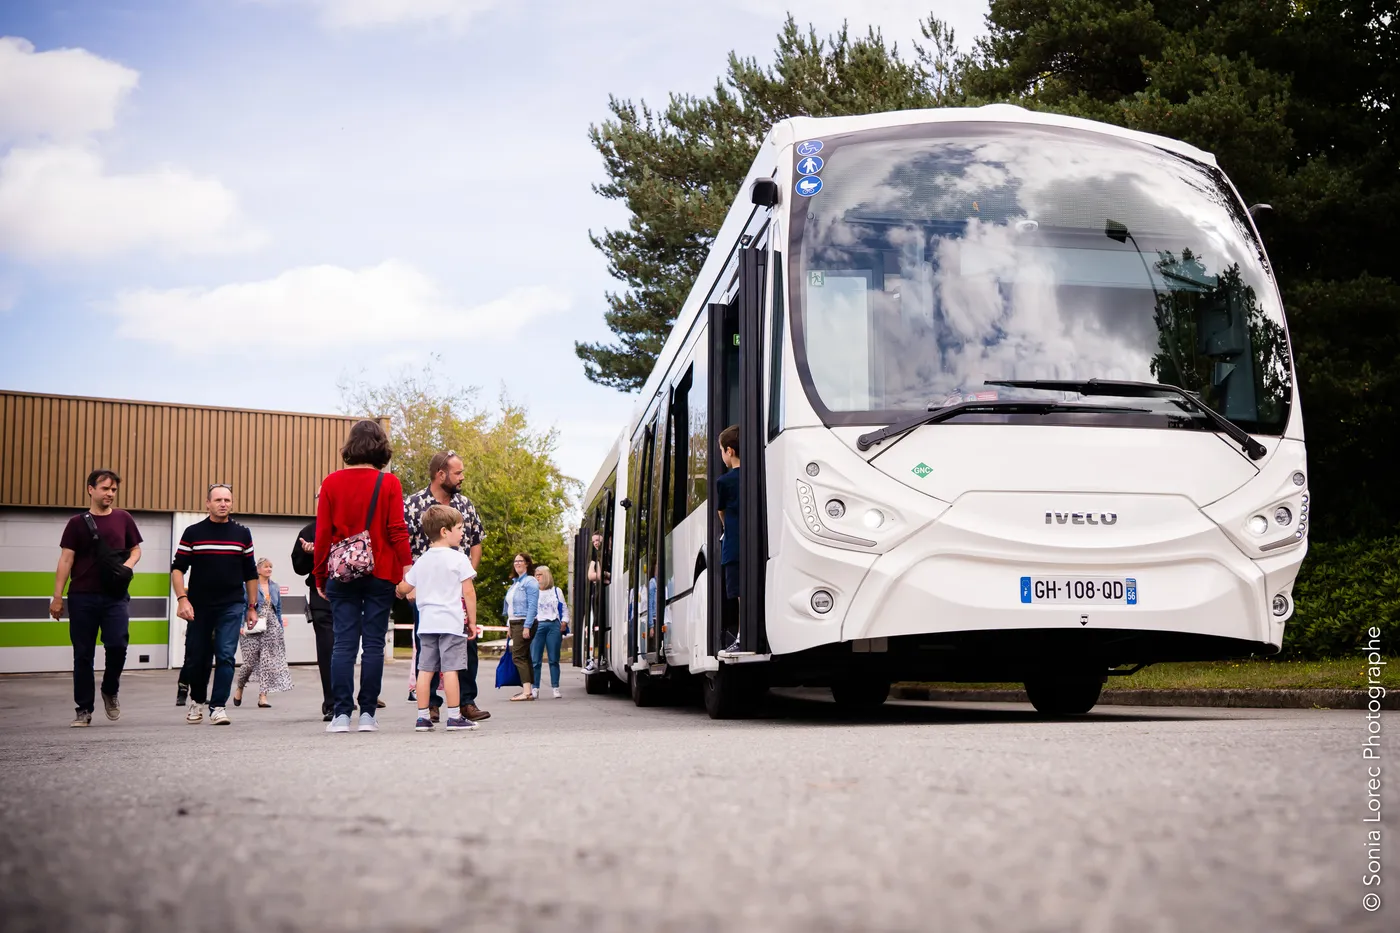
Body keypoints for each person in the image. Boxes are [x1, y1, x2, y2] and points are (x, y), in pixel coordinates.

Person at [314, 419, 411, 734]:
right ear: (381, 447)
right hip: (381, 572)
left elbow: (323, 534)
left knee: (343, 644)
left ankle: (341, 715)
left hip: (341, 573)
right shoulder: (389, 483)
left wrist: (319, 576)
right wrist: (407, 568)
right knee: (372, 644)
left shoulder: (331, 483)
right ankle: (368, 713)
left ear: (350, 446)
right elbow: (397, 529)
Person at [50, 469, 143, 728]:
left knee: (117, 645)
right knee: (83, 654)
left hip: (115, 597)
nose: (110, 494)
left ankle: (110, 689)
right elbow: (66, 559)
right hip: (82, 597)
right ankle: (83, 709)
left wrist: (129, 566)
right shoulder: (76, 524)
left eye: (113, 490)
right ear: (91, 489)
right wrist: (57, 596)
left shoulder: (124, 519)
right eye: (105, 489)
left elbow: (135, 550)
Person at [403, 450, 490, 723]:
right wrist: (410, 583)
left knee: (466, 647)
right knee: (426, 653)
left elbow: (476, 541)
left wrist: (469, 574)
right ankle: (431, 706)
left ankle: (466, 702)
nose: (462, 477)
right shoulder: (414, 504)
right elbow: (401, 544)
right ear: (441, 474)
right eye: (457, 473)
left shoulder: (465, 505)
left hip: (458, 589)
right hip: (426, 590)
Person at [171, 483, 258, 726]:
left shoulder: (242, 534)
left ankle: (218, 706)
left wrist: (252, 606)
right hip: (198, 605)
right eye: (218, 500)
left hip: (231, 604)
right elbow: (178, 569)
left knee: (226, 655)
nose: (223, 504)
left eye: (227, 500)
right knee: (198, 657)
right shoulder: (193, 533)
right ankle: (197, 701)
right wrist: (182, 599)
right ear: (207, 503)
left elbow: (250, 573)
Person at [397, 504, 479, 732]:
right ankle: (454, 716)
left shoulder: (422, 560)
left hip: (427, 624)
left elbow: (406, 585)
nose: (463, 532)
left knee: (425, 670)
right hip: (451, 623)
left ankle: (422, 717)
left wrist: (399, 590)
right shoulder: (459, 558)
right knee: (451, 669)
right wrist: (471, 621)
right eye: (460, 528)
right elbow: (469, 592)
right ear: (445, 531)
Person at [290, 486, 334, 721]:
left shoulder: (350, 529)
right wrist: (309, 554)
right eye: (321, 498)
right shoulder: (309, 531)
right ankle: (332, 702)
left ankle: (354, 696)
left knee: (346, 649)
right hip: (321, 596)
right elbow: (298, 568)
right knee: (327, 649)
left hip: (351, 595)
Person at [233, 558, 294, 708]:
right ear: (258, 569)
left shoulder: (275, 587)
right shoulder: (248, 585)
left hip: (271, 627)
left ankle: (263, 696)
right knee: (249, 662)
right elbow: (243, 607)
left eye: (271, 567)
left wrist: (280, 627)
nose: (269, 569)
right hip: (252, 624)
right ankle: (240, 687)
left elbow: (278, 608)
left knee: (267, 662)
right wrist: (241, 625)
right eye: (266, 567)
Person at [715, 424, 742, 654]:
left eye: (722, 451)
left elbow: (721, 511)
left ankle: (742, 636)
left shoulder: (724, 482)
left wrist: (726, 527)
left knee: (738, 593)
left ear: (729, 451)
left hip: (733, 545)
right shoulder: (757, 475)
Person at [505, 553, 540, 700]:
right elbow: (510, 606)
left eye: (521, 561)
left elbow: (532, 606)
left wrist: (527, 626)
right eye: (515, 561)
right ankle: (529, 690)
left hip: (524, 622)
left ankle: (526, 692)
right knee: (524, 656)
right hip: (515, 622)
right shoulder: (516, 583)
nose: (517, 563)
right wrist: (509, 625)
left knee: (518, 656)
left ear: (527, 563)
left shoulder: (530, 581)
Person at [530, 564, 569, 698]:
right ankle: (535, 687)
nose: (537, 577)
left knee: (554, 658)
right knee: (535, 659)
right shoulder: (533, 591)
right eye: (536, 575)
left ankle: (555, 687)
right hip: (538, 624)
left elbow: (563, 608)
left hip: (553, 624)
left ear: (546, 576)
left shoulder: (556, 591)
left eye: (539, 575)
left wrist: (564, 621)